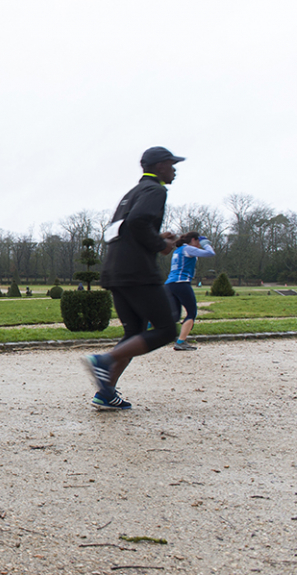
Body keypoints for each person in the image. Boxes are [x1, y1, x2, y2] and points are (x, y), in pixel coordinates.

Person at [82, 146, 185, 409]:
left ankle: (106, 392)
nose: (174, 169)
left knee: (135, 331)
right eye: (171, 164)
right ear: (160, 166)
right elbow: (139, 222)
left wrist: (158, 238)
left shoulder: (132, 193)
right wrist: (159, 245)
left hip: (116, 269)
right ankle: (103, 361)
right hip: (138, 271)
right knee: (166, 329)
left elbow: (123, 229)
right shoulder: (156, 190)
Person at [165, 232, 215, 351]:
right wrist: (206, 244)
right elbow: (210, 253)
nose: (199, 244)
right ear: (193, 240)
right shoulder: (188, 249)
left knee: (174, 316)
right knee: (191, 313)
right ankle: (180, 342)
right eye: (198, 241)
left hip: (169, 284)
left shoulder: (178, 250)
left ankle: (143, 328)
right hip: (181, 283)